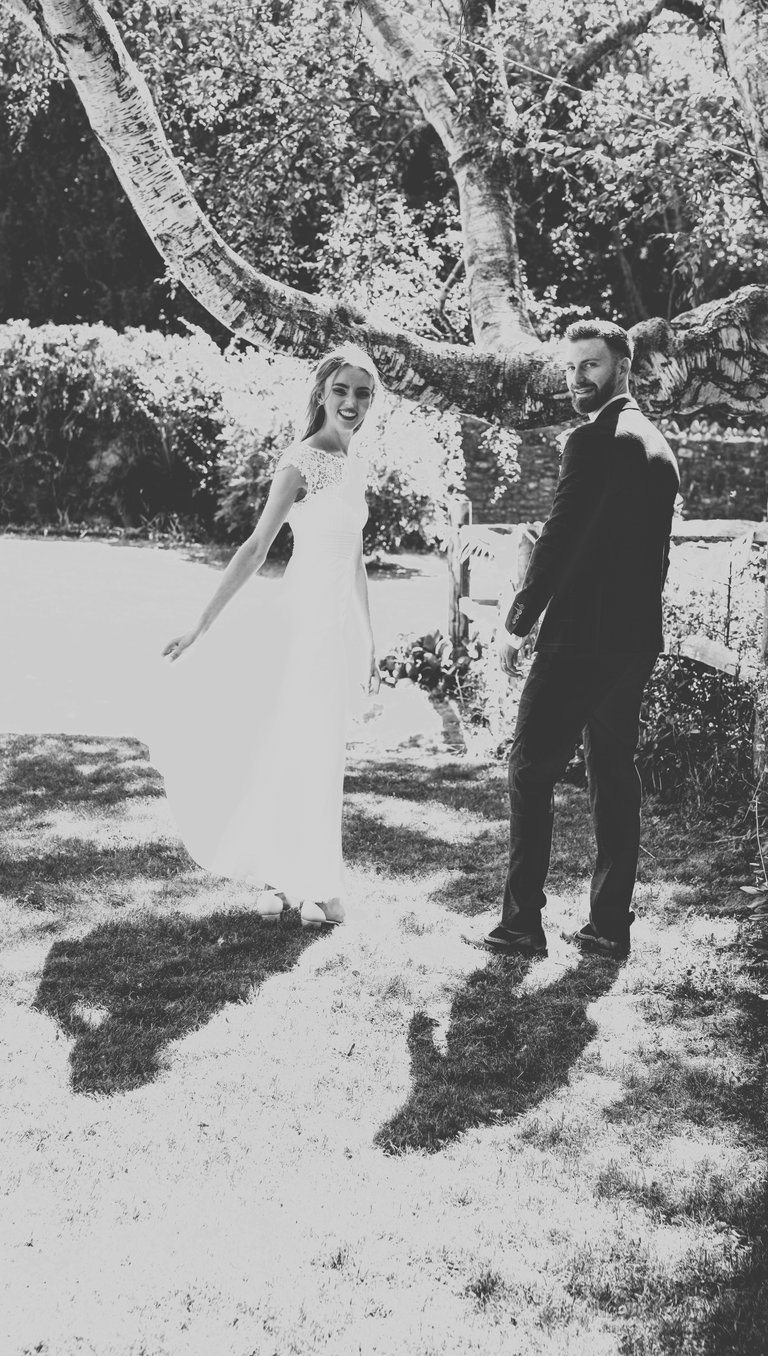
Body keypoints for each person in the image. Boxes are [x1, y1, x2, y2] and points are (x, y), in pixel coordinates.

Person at [152, 344, 381, 928]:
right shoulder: (301, 461)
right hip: (301, 624)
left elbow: (354, 559)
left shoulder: (356, 465)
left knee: (316, 750)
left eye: (362, 393)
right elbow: (256, 547)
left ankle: (290, 879)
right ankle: (311, 886)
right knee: (298, 745)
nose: (351, 403)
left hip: (334, 631)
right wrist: (201, 624)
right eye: (341, 390)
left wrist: (369, 641)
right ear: (322, 394)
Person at [485, 319, 680, 959]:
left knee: (529, 770)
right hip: (633, 641)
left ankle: (521, 925)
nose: (577, 379)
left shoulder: (593, 440)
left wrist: (516, 624)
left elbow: (560, 538)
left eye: (589, 365)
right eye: (570, 368)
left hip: (578, 641)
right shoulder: (657, 445)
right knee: (614, 778)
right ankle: (609, 926)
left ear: (623, 366)